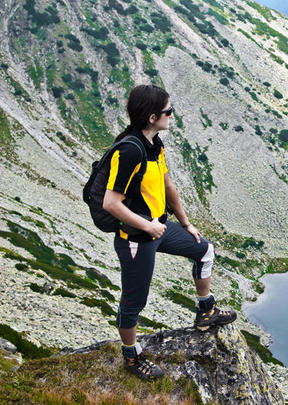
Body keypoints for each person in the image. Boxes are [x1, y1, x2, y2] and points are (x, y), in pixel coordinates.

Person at [102, 84, 236, 380]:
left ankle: (206, 310)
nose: (172, 116)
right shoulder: (129, 151)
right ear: (152, 117)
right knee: (134, 302)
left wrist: (186, 223)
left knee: (205, 250)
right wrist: (148, 225)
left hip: (159, 227)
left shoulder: (154, 144)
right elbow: (110, 203)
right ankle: (132, 356)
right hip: (136, 238)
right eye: (168, 111)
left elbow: (166, 184)